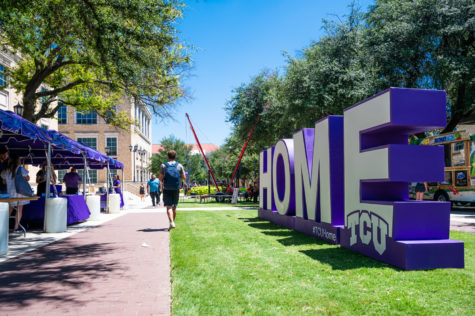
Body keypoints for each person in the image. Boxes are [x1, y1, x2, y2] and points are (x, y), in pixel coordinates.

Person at [1, 154, 30, 232]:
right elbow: (27, 178)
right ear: (18, 161)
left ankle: (4, 226)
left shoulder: (6, 170)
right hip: (20, 192)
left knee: (9, 209)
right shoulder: (20, 169)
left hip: (9, 193)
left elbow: (3, 182)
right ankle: (16, 227)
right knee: (19, 209)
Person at [159, 150, 185, 231]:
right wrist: (177, 179)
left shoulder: (163, 165)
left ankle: (171, 223)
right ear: (175, 156)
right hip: (176, 188)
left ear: (168, 156)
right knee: (174, 206)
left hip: (167, 188)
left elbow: (160, 177)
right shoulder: (179, 165)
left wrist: (163, 181)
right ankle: (173, 222)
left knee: (169, 207)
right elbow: (183, 177)